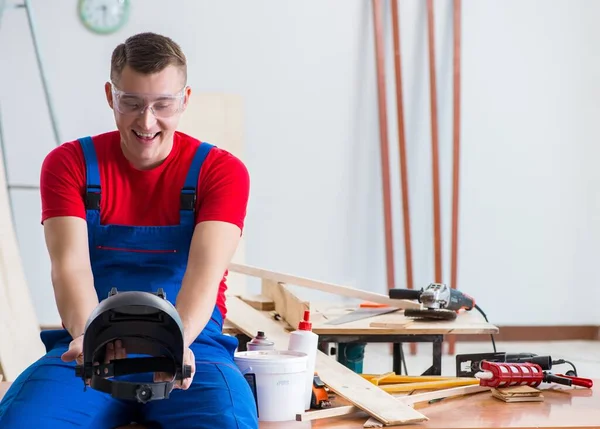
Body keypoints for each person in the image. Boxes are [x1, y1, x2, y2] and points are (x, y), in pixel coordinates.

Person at [0, 32, 258, 428]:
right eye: (132, 103)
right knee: (21, 421)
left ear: (185, 99)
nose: (147, 121)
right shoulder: (69, 164)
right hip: (91, 340)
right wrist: (92, 339)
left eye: (163, 105)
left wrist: (174, 344)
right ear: (110, 96)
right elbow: (69, 268)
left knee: (229, 423)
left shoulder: (220, 172)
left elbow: (203, 277)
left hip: (193, 347)